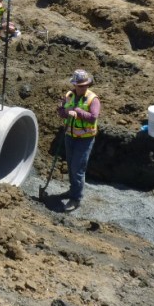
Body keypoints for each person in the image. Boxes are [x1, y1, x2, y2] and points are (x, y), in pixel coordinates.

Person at [56, 69, 101, 212]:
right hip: (70, 136)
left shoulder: (93, 99)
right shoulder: (69, 96)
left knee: (78, 169)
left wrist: (78, 111)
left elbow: (93, 117)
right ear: (74, 85)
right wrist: (67, 112)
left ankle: (76, 198)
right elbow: (61, 111)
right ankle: (72, 190)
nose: (82, 87)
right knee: (70, 166)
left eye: (85, 85)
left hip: (85, 139)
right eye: (79, 85)